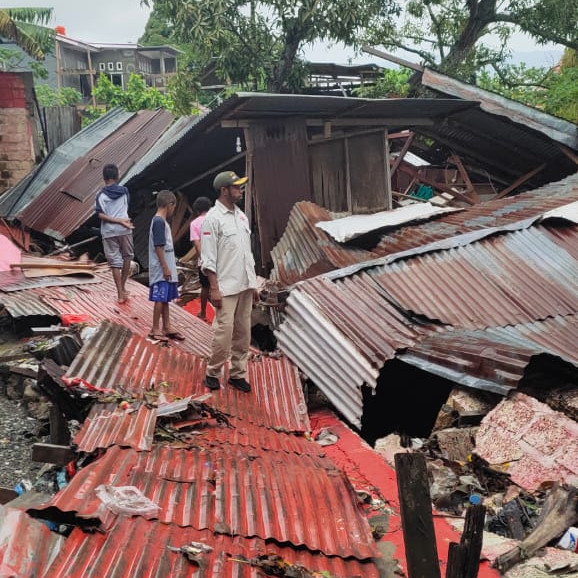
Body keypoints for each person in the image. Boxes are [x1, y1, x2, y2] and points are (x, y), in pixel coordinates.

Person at [201, 171, 258, 393]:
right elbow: (208, 259)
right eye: (236, 187)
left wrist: (253, 284)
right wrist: (214, 288)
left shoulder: (241, 216)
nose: (240, 191)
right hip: (225, 287)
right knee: (223, 333)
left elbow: (247, 254)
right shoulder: (212, 219)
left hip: (244, 285)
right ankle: (213, 372)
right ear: (224, 190)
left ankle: (237, 374)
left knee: (243, 333)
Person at [148, 189, 185, 342]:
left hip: (166, 265)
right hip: (161, 267)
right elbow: (158, 246)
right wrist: (164, 266)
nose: (173, 211)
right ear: (170, 205)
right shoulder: (158, 222)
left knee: (165, 298)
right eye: (174, 208)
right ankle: (155, 327)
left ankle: (167, 325)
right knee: (160, 297)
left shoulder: (161, 222)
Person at [95, 163, 134, 303]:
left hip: (109, 231)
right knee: (127, 257)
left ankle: (120, 294)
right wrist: (120, 221)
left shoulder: (100, 195)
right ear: (117, 176)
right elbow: (126, 207)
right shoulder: (125, 191)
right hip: (125, 228)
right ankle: (123, 287)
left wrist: (115, 221)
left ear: (104, 177)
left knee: (115, 262)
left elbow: (100, 214)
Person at [189, 196, 213, 321]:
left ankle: (203, 313)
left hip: (204, 260)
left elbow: (197, 244)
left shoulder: (194, 224)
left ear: (197, 211)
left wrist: (203, 259)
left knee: (205, 287)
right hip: (220, 259)